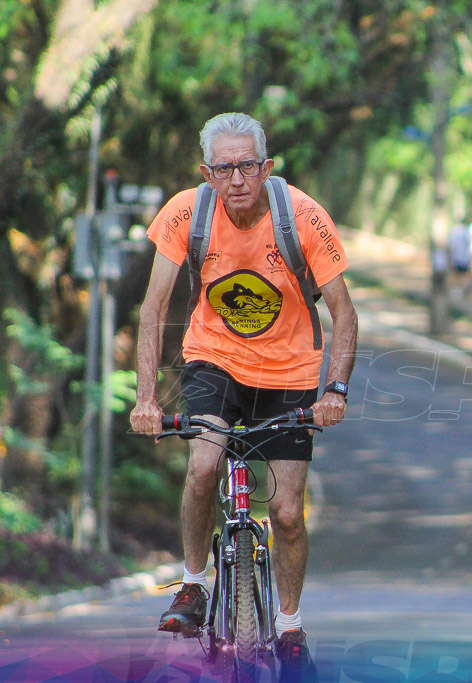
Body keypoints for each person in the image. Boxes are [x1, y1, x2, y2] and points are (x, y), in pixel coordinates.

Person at [130, 112, 358, 682]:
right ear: (207, 173)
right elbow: (154, 308)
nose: (237, 179)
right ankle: (193, 586)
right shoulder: (187, 211)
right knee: (203, 465)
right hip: (215, 359)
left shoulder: (302, 216)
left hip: (290, 370)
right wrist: (146, 399)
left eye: (248, 166)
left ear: (267, 168)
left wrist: (335, 389)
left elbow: (345, 313)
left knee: (285, 513)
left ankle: (289, 625)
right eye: (225, 168)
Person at [447, 218, 472, 295]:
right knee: (462, 274)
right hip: (464, 256)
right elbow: (469, 243)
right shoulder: (467, 231)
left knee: (456, 274)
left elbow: (451, 244)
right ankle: (460, 289)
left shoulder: (453, 231)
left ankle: (457, 289)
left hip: (456, 256)